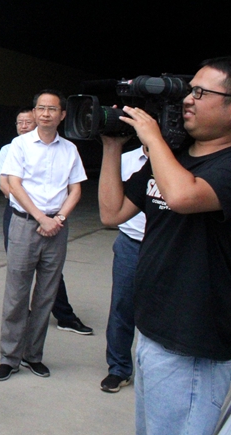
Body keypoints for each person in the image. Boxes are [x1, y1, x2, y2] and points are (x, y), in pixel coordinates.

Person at [98, 56, 231, 434]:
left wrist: (153, 138)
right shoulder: (174, 158)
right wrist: (112, 146)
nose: (188, 99)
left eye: (201, 92)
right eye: (189, 90)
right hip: (154, 330)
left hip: (194, 343)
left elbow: (183, 197)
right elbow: (112, 212)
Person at [0, 89, 87, 382]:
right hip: (24, 225)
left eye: (52, 109)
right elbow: (15, 185)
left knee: (46, 294)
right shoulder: (19, 145)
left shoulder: (69, 149)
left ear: (62, 115)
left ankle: (33, 355)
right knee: (16, 295)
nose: (46, 113)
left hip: (57, 228)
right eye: (41, 108)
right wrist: (41, 217)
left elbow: (76, 189)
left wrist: (58, 219)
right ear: (34, 113)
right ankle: (9, 358)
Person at [100, 144, 147, 393]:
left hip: (164, 242)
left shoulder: (178, 160)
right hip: (130, 242)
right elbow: (110, 206)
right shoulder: (124, 160)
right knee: (122, 306)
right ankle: (118, 368)